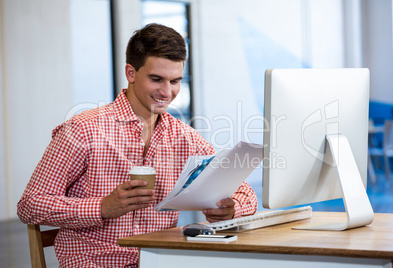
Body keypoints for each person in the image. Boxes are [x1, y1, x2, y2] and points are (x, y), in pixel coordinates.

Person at [17, 23, 258, 268]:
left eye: (175, 81)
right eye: (156, 79)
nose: (167, 92)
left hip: (159, 261)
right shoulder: (83, 129)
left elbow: (243, 189)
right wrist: (102, 207)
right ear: (131, 73)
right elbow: (30, 205)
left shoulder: (184, 137)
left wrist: (232, 208)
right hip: (95, 263)